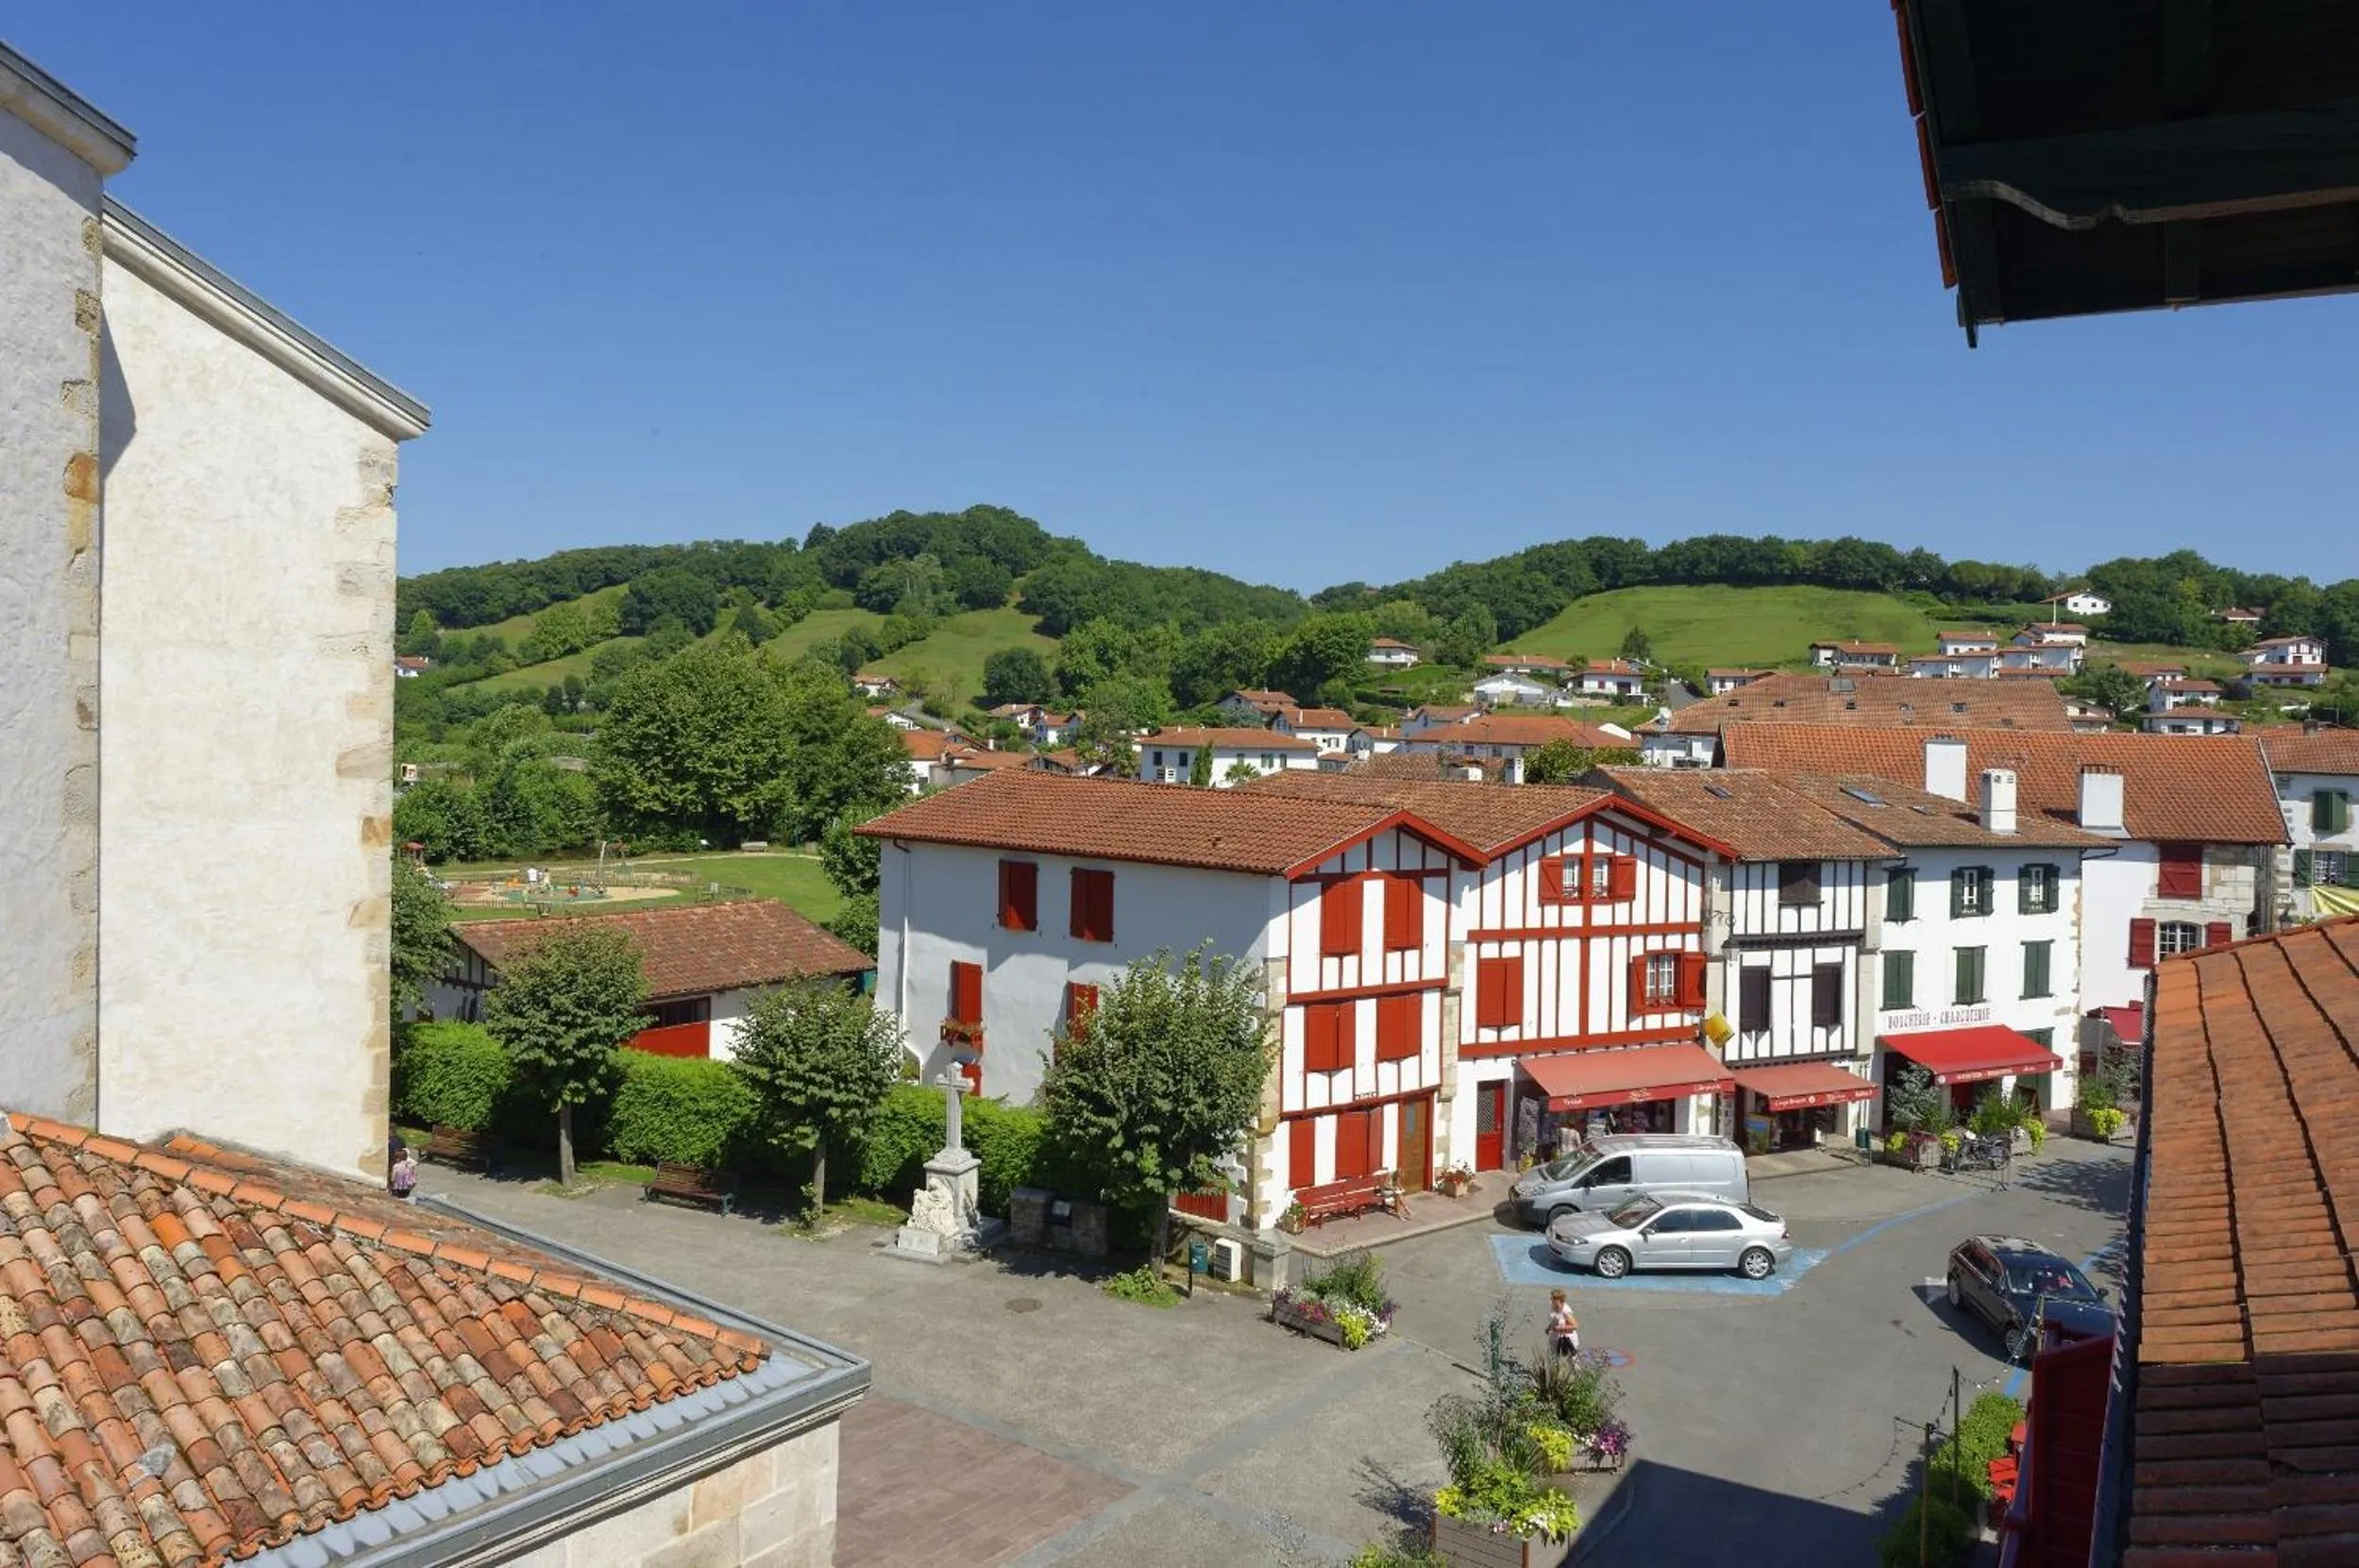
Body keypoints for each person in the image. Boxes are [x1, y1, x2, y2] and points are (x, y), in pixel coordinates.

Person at [1548, 1290, 1580, 1358]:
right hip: (1556, 1338)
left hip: (1568, 1339)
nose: (1551, 1300)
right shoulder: (1553, 1306)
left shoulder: (1565, 1311)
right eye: (1552, 1298)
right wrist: (1549, 1328)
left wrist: (1558, 1328)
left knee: (1572, 1361)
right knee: (1554, 1360)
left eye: (1553, 1298)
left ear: (1561, 1300)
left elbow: (1575, 1326)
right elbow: (1555, 1319)